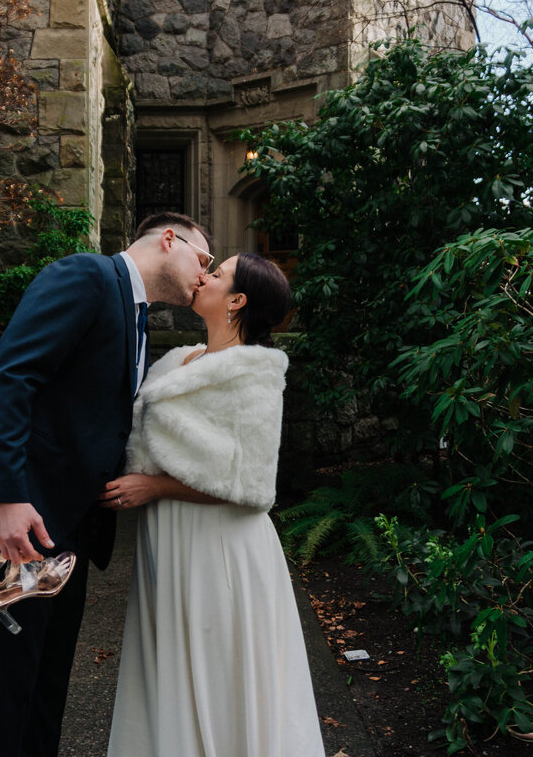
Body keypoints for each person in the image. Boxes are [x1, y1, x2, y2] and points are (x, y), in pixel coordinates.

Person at [0, 211, 214, 757]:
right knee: (7, 682)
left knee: (47, 678)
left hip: (65, 531)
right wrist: (8, 496)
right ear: (167, 240)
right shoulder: (86, 277)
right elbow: (11, 377)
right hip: (18, 523)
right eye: (203, 260)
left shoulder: (136, 318)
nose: (204, 275)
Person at [101, 252, 325, 757]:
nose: (204, 276)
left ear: (238, 300)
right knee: (171, 664)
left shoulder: (255, 374)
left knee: (217, 668)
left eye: (217, 274)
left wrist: (155, 488)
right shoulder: (180, 359)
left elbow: (252, 482)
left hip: (219, 544)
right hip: (171, 538)